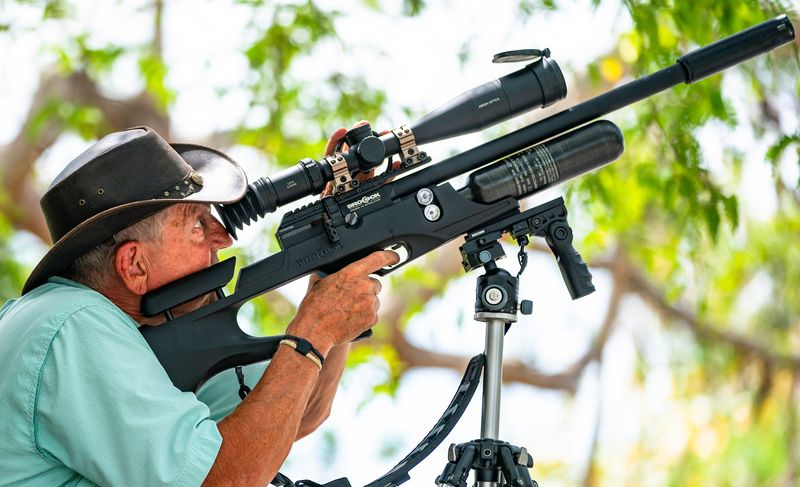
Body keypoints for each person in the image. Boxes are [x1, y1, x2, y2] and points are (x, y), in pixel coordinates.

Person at [0, 126, 398, 486]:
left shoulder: (141, 334)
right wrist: (313, 331)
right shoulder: (73, 323)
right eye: (196, 225)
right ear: (134, 265)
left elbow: (296, 414)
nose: (221, 240)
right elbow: (220, 480)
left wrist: (340, 254)